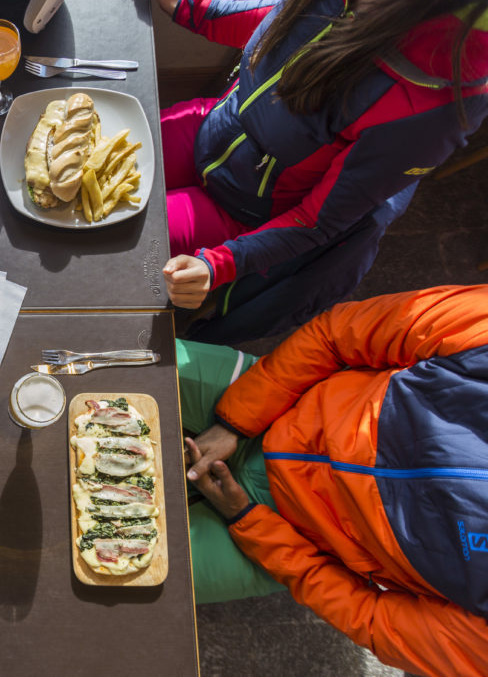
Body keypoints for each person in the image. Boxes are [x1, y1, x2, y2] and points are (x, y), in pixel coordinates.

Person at [177, 284, 488, 676]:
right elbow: (338, 332)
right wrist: (234, 421)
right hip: (274, 397)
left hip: (290, 541)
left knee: (103, 570)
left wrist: (249, 521)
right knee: (95, 358)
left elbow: (371, 619)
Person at [154, 0, 488, 340]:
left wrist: (218, 264)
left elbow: (316, 220)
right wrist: (190, 7)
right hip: (209, 126)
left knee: (113, 236)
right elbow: (279, 24)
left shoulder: (433, 102)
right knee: (94, 158)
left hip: (240, 211)